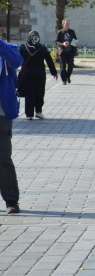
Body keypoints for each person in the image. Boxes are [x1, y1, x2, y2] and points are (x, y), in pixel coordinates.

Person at [0, 24, 22, 214]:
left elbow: (16, 62)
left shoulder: (8, 49)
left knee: (3, 158)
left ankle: (11, 200)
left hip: (1, 114)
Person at [18, 31, 58, 120]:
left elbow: (16, 59)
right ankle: (39, 112)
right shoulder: (42, 48)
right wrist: (53, 72)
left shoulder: (23, 47)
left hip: (27, 74)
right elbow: (49, 61)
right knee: (39, 92)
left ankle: (29, 114)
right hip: (39, 74)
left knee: (29, 93)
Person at [55, 19, 77, 85]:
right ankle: (64, 80)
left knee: (71, 65)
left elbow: (74, 40)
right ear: (63, 24)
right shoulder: (60, 32)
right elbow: (56, 41)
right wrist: (62, 44)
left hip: (70, 51)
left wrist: (76, 42)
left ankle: (67, 76)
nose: (67, 24)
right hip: (63, 52)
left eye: (68, 23)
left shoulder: (72, 32)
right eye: (66, 23)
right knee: (63, 66)